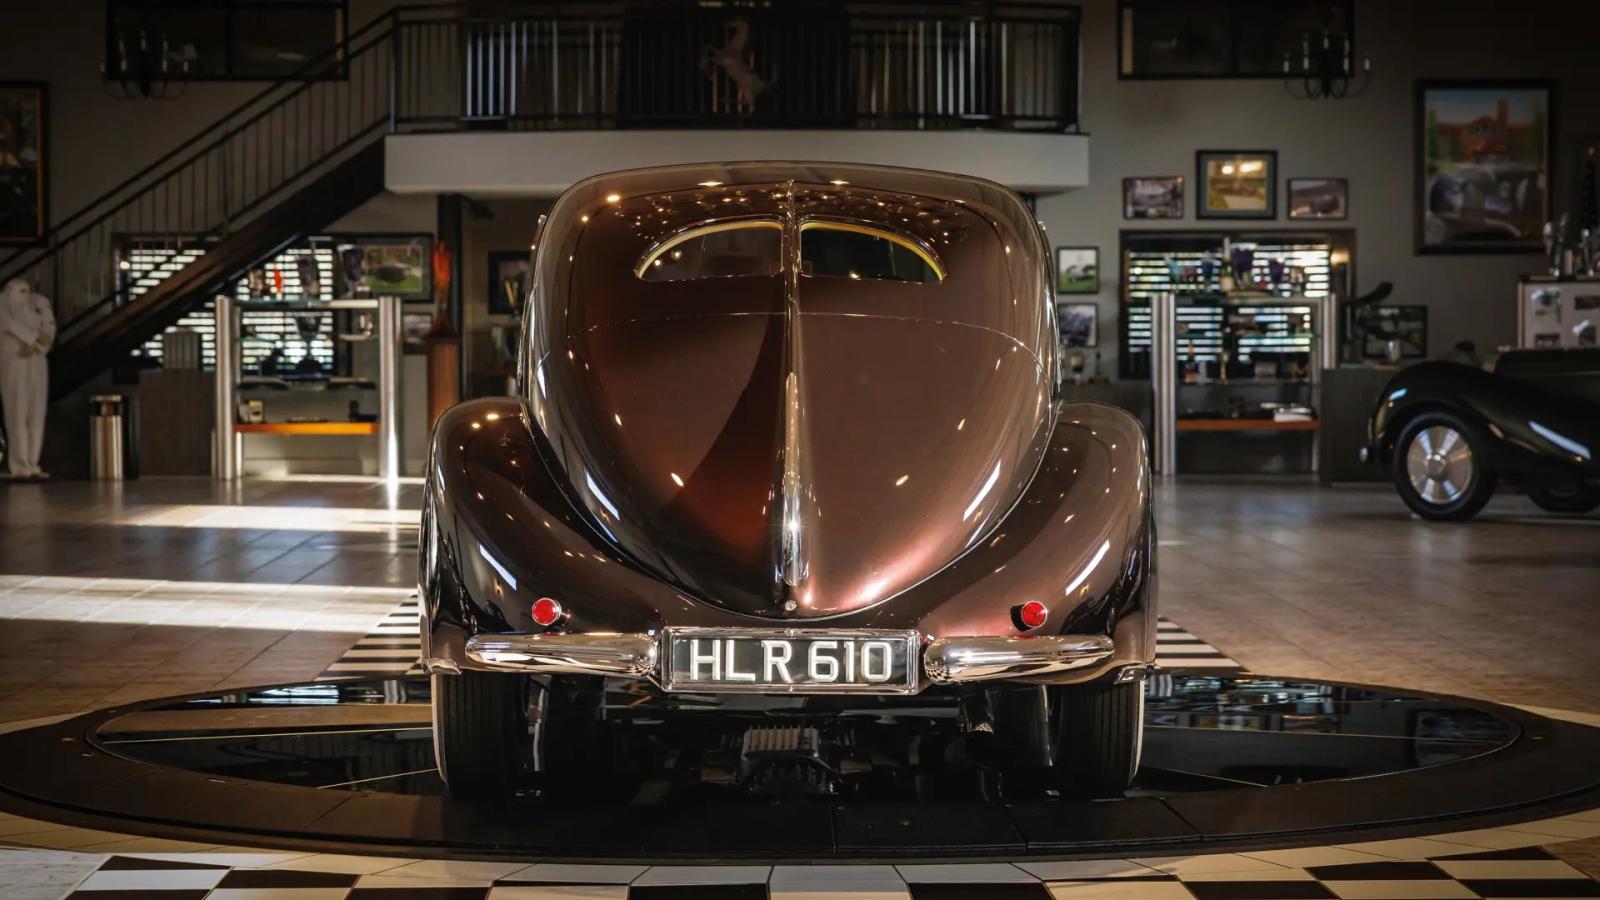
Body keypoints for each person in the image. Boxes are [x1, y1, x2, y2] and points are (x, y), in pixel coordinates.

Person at [0, 278, 53, 479]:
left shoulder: (39, 302)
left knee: (36, 412)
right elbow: (9, 325)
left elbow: (49, 326)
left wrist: (38, 345)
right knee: (17, 412)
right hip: (14, 359)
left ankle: (33, 462)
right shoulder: (2, 304)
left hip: (37, 359)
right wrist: (32, 340)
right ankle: (20, 464)